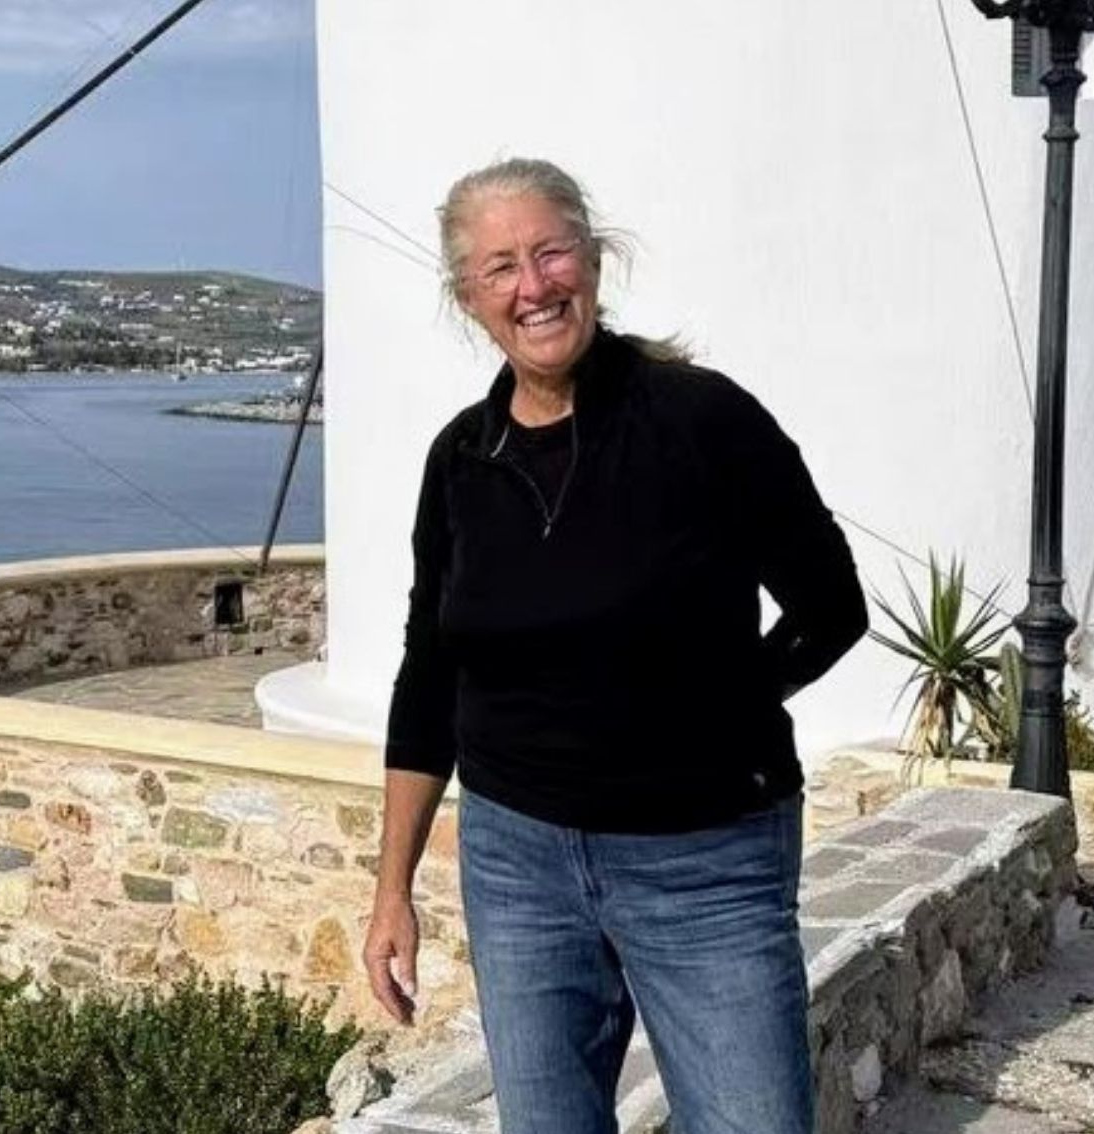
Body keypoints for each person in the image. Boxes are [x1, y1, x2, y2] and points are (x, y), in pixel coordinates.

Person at [360, 157, 868, 1134]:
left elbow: (832, 606)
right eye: (500, 267)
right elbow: (429, 676)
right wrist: (392, 892)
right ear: (468, 299)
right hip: (516, 863)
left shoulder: (702, 419)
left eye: (551, 253)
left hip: (704, 858)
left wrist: (728, 705)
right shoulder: (461, 459)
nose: (533, 286)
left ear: (593, 261)